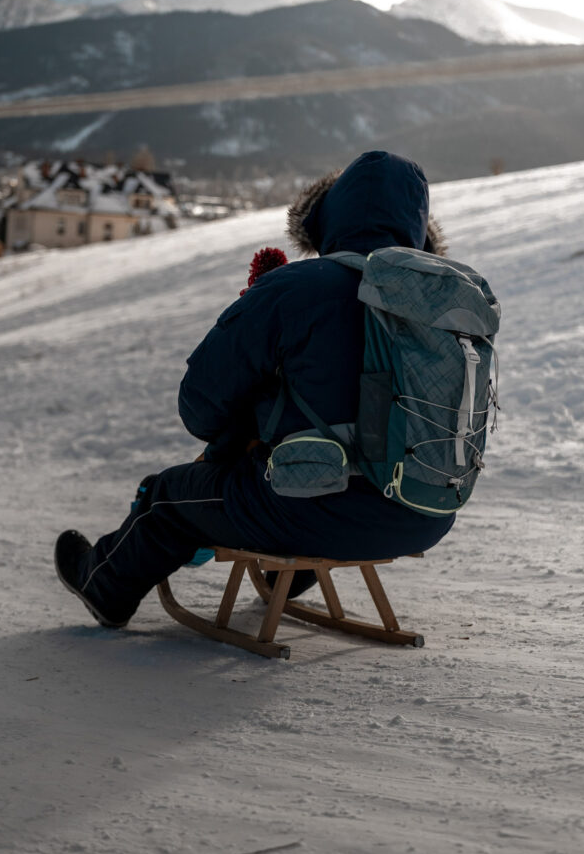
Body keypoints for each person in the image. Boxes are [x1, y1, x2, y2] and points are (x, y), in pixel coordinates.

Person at [55, 150, 454, 629]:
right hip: (426, 516)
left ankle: (103, 586)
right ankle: (295, 571)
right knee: (332, 472)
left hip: (310, 512)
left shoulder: (298, 287)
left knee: (166, 500)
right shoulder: (445, 305)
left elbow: (200, 406)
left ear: (328, 216)